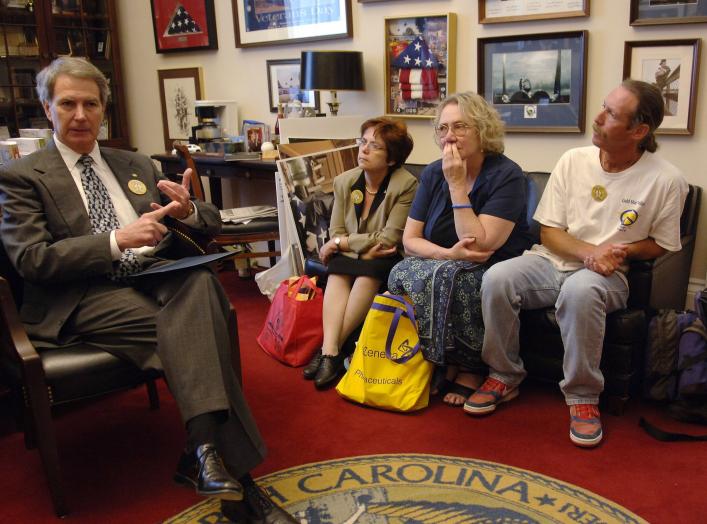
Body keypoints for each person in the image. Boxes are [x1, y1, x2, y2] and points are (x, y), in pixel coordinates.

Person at [0, 57, 296, 523]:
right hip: (83, 295)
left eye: (91, 104)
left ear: (104, 110)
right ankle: (236, 485)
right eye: (68, 103)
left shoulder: (133, 162)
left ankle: (201, 450)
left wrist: (187, 213)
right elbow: (32, 260)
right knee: (204, 324)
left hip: (156, 277)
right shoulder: (22, 176)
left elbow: (210, 223)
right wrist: (116, 240)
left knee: (200, 281)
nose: (80, 114)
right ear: (47, 107)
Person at [467, 80, 689, 448]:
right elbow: (549, 233)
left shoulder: (666, 180)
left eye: (611, 114)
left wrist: (621, 252)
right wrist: (589, 251)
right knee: (497, 279)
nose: (598, 118)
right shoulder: (573, 160)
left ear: (639, 130)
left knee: (580, 291)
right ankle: (503, 374)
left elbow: (661, 246)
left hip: (608, 275)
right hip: (552, 261)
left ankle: (583, 397)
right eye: (603, 106)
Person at [387, 92, 533, 407]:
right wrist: (448, 254)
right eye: (442, 129)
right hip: (445, 259)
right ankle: (439, 360)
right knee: (402, 271)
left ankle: (470, 367)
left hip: (493, 264)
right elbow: (410, 240)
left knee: (457, 279)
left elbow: (481, 244)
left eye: (460, 127)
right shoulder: (431, 172)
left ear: (483, 131)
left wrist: (456, 184)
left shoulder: (507, 175)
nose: (449, 136)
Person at [302, 117, 418, 388]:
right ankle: (332, 352)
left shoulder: (406, 185)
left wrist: (343, 245)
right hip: (361, 256)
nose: (363, 150)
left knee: (366, 270)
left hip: (387, 258)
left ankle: (326, 350)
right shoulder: (345, 181)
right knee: (340, 269)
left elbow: (389, 238)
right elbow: (336, 230)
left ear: (391, 159)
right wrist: (355, 248)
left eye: (374, 146)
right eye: (362, 142)